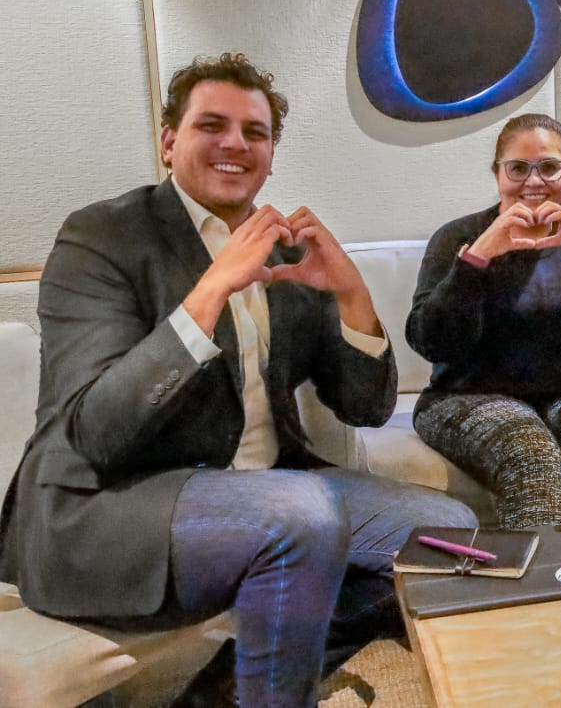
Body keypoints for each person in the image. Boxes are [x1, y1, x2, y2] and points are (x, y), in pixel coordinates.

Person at [0, 53, 476, 706]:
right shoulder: (103, 238)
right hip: (109, 506)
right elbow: (96, 431)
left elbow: (365, 406)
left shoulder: (283, 251)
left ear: (271, 155)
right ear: (169, 142)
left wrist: (352, 296)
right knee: (300, 517)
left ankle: (227, 685)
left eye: (255, 132)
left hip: (273, 488)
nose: (235, 143)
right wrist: (212, 288)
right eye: (211, 125)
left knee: (448, 531)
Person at [407, 113, 561, 529]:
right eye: (518, 168)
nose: (534, 181)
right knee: (530, 451)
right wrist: (477, 259)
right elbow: (430, 340)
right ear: (497, 174)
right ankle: (546, 570)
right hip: (466, 394)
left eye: (549, 167)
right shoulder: (458, 237)